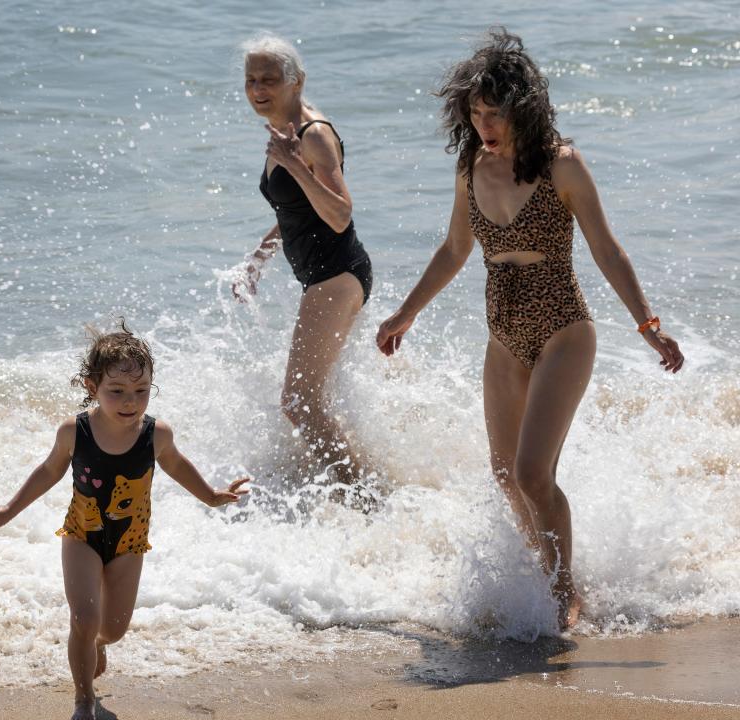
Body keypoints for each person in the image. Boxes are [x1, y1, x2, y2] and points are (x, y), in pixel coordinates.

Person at [375, 29, 683, 629]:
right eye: (476, 111)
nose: (485, 124)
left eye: (496, 112)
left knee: (531, 472)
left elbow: (607, 249)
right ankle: (543, 569)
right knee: (502, 473)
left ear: (523, 107)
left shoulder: (561, 165)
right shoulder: (470, 167)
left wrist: (646, 323)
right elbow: (454, 250)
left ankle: (566, 591)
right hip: (503, 335)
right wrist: (407, 311)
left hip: (564, 329)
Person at [0, 324, 249, 720]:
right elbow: (48, 471)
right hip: (82, 535)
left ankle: (98, 643)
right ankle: (84, 698)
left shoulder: (156, 435)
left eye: (141, 390)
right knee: (83, 618)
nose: (130, 401)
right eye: (116, 390)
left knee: (112, 630)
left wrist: (210, 495)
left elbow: (176, 466)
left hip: (130, 541)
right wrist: (7, 509)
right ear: (92, 385)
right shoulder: (74, 431)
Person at [232, 33, 374, 489]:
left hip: (337, 273)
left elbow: (339, 213)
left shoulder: (313, 136)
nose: (258, 88)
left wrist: (294, 164)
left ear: (297, 81)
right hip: (327, 275)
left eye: (269, 79)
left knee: (299, 401)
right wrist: (258, 257)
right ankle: (359, 482)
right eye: (251, 79)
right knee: (310, 398)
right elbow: (295, 211)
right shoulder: (284, 134)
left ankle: (365, 497)